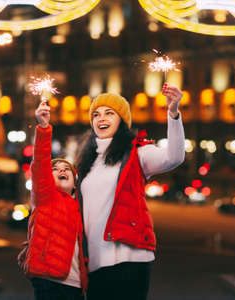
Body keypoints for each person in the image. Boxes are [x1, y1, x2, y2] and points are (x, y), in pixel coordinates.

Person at [76, 83, 185, 300]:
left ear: (122, 120)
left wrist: (173, 114)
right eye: (96, 114)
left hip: (131, 256)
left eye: (109, 113)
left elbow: (174, 157)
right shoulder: (86, 162)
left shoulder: (138, 152)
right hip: (95, 260)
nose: (101, 118)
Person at [18, 101, 88, 300]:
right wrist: (43, 128)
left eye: (66, 169)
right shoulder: (45, 196)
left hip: (75, 283)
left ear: (75, 183)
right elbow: (40, 162)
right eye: (55, 169)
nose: (62, 170)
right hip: (49, 280)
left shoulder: (81, 206)